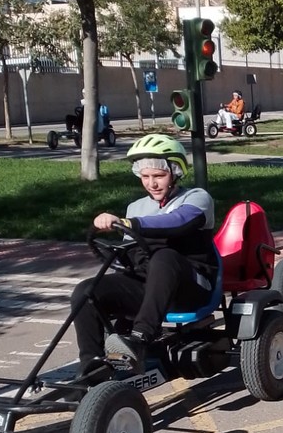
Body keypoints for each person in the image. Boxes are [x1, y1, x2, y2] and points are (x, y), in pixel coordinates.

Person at [70, 134, 216, 377]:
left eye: (159, 176)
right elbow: (132, 253)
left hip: (192, 287)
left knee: (165, 257)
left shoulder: (197, 198)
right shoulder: (136, 207)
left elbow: (177, 222)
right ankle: (91, 367)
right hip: (150, 287)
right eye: (145, 177)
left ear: (176, 171)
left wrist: (130, 224)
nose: (152, 183)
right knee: (86, 291)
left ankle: (138, 341)